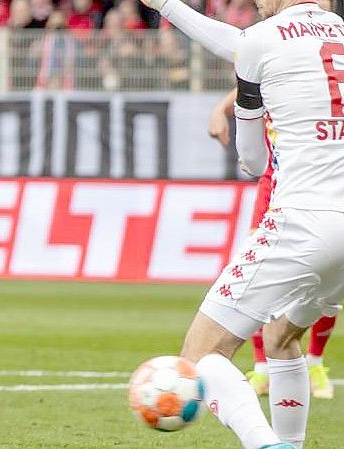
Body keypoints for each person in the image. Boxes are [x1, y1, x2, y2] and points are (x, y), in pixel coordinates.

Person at [143, 0, 344, 448]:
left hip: (304, 219)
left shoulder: (261, 39)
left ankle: (265, 445)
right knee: (281, 335)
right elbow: (236, 42)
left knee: (199, 358)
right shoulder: (337, 32)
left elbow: (254, 161)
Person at [208, 88, 337, 400]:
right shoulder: (277, 53)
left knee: (324, 280)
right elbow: (252, 81)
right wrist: (219, 110)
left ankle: (315, 363)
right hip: (274, 181)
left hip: (320, 183)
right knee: (258, 275)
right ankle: (263, 369)